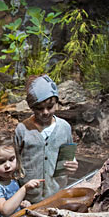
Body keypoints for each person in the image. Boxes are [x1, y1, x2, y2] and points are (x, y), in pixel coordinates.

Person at [15, 74, 79, 203]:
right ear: (31, 107)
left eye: (50, 107)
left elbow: (67, 156)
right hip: (29, 198)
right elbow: (15, 162)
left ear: (56, 103)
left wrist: (72, 164)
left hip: (57, 193)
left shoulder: (64, 127)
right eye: (39, 108)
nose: (45, 112)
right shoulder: (22, 129)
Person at [0, 132, 44, 217]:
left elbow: (12, 201)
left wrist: (22, 204)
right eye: (1, 162)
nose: (8, 165)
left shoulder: (11, 178)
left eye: (11, 159)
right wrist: (24, 189)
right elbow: (5, 211)